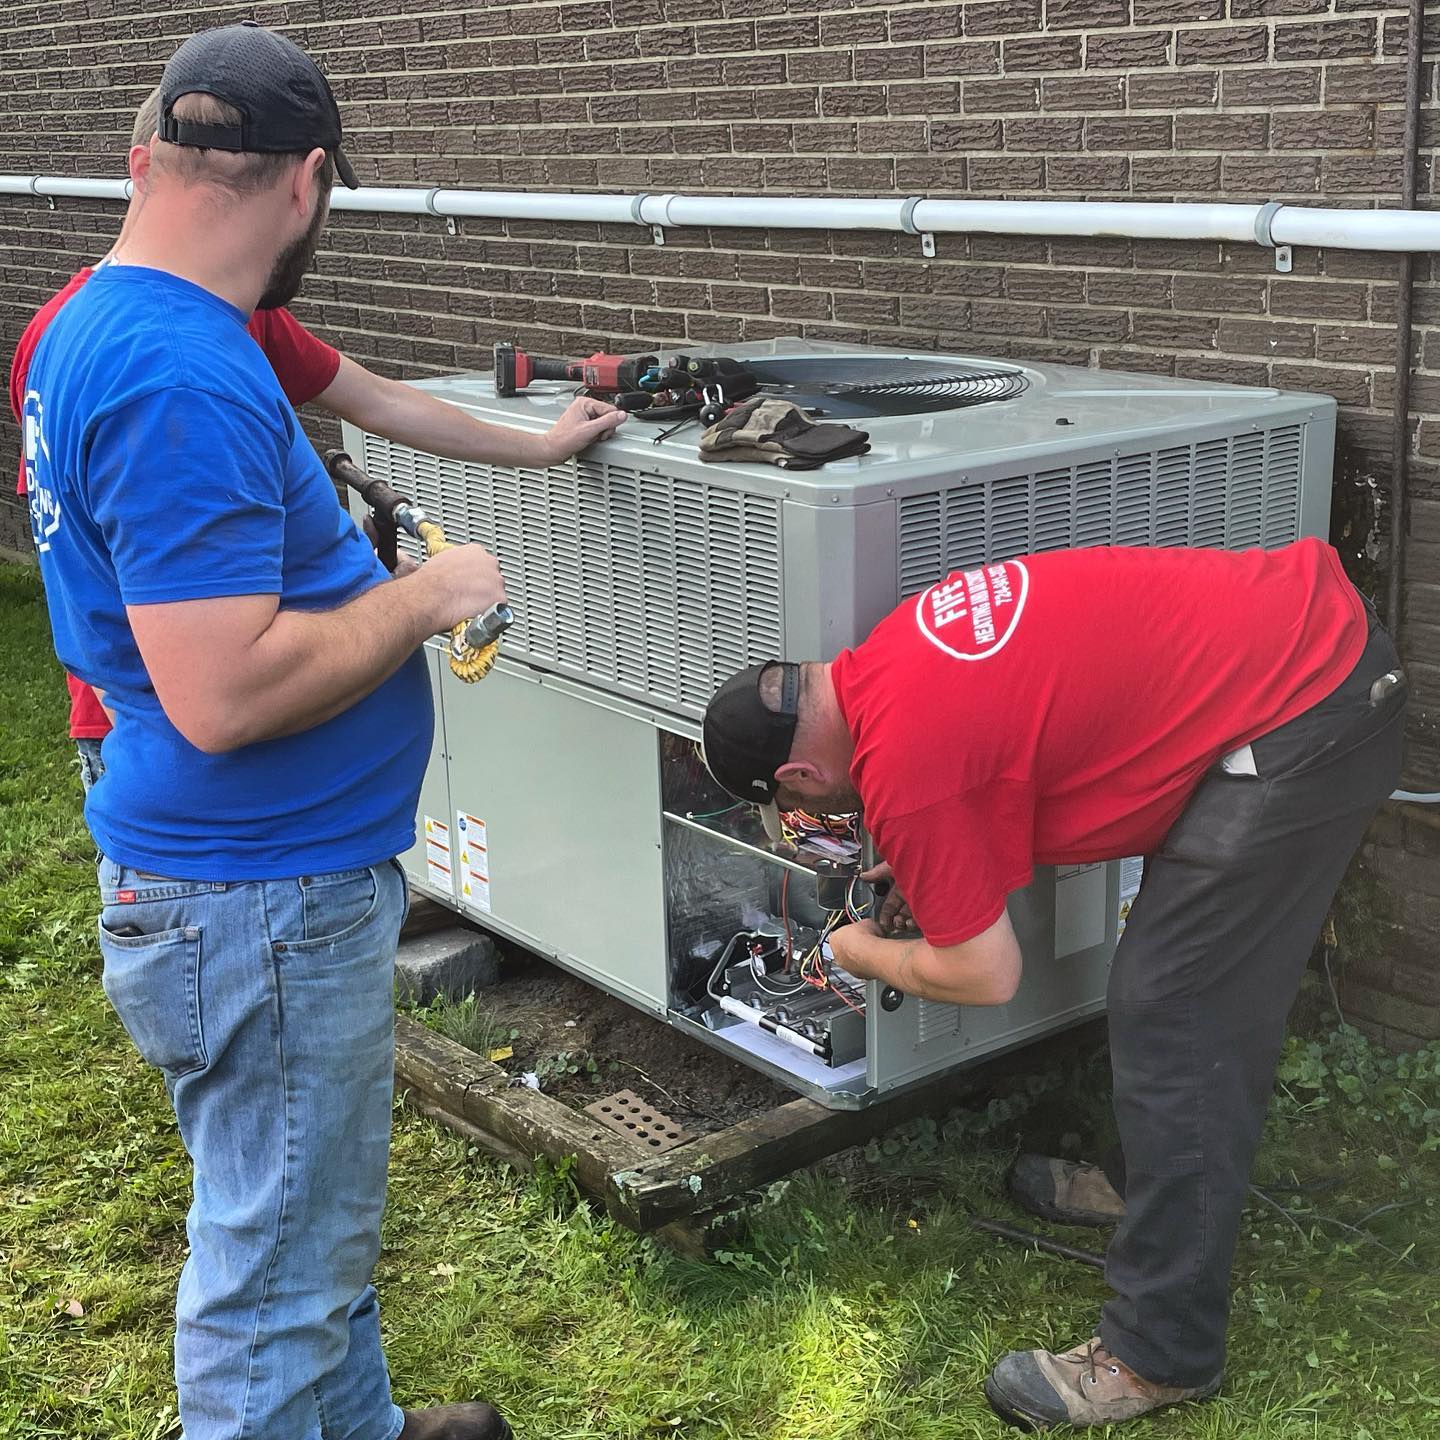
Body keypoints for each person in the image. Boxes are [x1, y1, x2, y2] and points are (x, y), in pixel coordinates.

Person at [20, 23, 570, 1440]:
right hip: (255, 893)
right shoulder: (180, 376)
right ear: (307, 181)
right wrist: (427, 595)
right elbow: (226, 695)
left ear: (144, 158)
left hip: (251, 883)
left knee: (309, 1225)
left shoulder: (101, 321)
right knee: (271, 1280)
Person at [700, 538, 1405, 1430]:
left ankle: (1160, 1354)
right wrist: (937, 864)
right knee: (1174, 995)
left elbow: (984, 973)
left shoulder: (907, 767)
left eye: (803, 806)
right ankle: (1144, 1188)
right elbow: (1015, 748)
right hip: (1300, 639)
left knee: (1175, 1009)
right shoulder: (894, 651)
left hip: (1309, 711)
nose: (819, 817)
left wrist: (858, 954)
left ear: (798, 775)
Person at [12, 86, 623, 793]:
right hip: (175, 758)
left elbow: (379, 400)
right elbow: (88, 552)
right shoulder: (155, 363)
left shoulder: (225, 315)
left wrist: (540, 447)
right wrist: (424, 598)